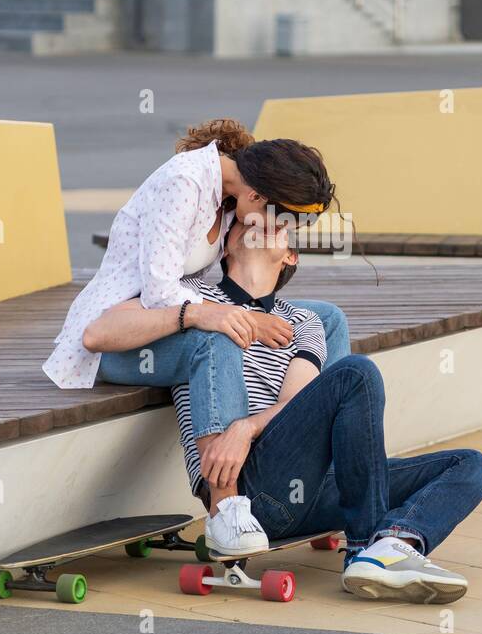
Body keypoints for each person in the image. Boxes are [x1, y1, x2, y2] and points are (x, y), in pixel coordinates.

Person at [83, 218, 482, 603]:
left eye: (276, 226)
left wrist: (245, 427)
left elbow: (292, 405)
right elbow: (100, 331)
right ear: (225, 247)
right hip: (249, 490)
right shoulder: (195, 300)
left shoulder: (304, 322)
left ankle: (396, 543)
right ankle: (367, 549)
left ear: (290, 256)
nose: (261, 224)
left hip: (310, 485)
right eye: (248, 222)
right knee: (356, 373)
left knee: (471, 464)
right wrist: (196, 316)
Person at [45, 119, 349, 551]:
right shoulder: (183, 182)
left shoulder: (229, 196)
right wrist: (233, 315)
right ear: (257, 195)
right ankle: (225, 510)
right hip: (124, 334)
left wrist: (243, 310)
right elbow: (159, 293)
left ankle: (328, 477)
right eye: (279, 217)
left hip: (172, 323)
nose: (276, 228)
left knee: (325, 318)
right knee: (217, 334)